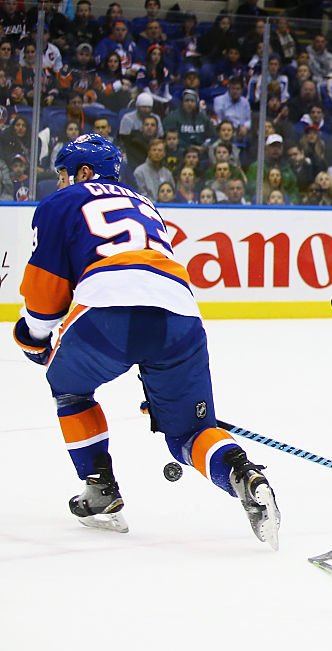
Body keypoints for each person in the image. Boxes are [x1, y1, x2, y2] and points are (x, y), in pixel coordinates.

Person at [13, 135, 280, 548]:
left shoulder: (60, 203)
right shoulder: (144, 204)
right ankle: (243, 474)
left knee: (69, 389)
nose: (61, 182)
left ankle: (101, 490)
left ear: (83, 172)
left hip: (106, 311)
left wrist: (32, 336)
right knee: (189, 433)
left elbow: (46, 295)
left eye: (64, 174)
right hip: (180, 316)